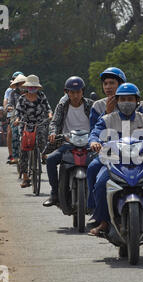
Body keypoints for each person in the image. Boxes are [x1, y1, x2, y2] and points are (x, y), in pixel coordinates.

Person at [88, 83, 143, 240]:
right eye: (123, 99)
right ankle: (103, 221)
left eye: (130, 99)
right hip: (113, 161)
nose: (126, 102)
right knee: (100, 184)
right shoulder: (107, 119)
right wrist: (94, 142)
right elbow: (95, 133)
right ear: (117, 101)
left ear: (137, 101)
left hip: (142, 161)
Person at [43, 76, 94, 207]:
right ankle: (54, 193)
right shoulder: (62, 106)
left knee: (102, 162)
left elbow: (98, 122)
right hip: (68, 143)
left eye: (78, 91)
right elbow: (54, 122)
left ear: (83, 91)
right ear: (67, 92)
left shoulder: (90, 105)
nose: (75, 95)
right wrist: (53, 133)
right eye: (72, 92)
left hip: (89, 144)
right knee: (50, 160)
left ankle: (98, 197)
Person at [14, 75, 53, 188]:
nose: (32, 89)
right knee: (24, 150)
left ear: (37, 87)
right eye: (30, 87)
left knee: (41, 136)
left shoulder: (41, 96)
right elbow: (18, 112)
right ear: (26, 87)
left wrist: (50, 115)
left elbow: (48, 107)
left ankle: (43, 154)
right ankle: (26, 178)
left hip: (39, 123)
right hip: (26, 124)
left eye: (34, 87)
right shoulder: (22, 98)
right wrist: (17, 120)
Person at [4, 71, 24, 163]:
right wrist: (7, 107)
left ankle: (41, 153)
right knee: (12, 133)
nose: (21, 85)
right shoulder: (11, 92)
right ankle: (13, 155)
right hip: (14, 115)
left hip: (29, 116)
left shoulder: (31, 91)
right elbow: (8, 102)